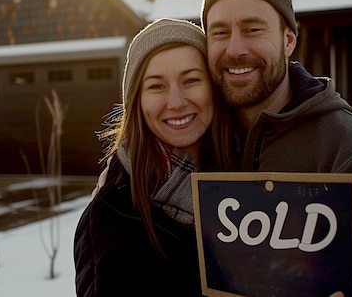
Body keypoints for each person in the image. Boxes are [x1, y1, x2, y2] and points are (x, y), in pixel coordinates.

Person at [200, 0, 352, 296]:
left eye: (253, 29)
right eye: (220, 32)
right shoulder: (197, 142)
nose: (235, 49)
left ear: (288, 40)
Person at [73, 18, 235, 297]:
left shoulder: (251, 177)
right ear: (137, 100)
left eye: (191, 80)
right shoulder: (112, 211)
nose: (176, 102)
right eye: (156, 86)